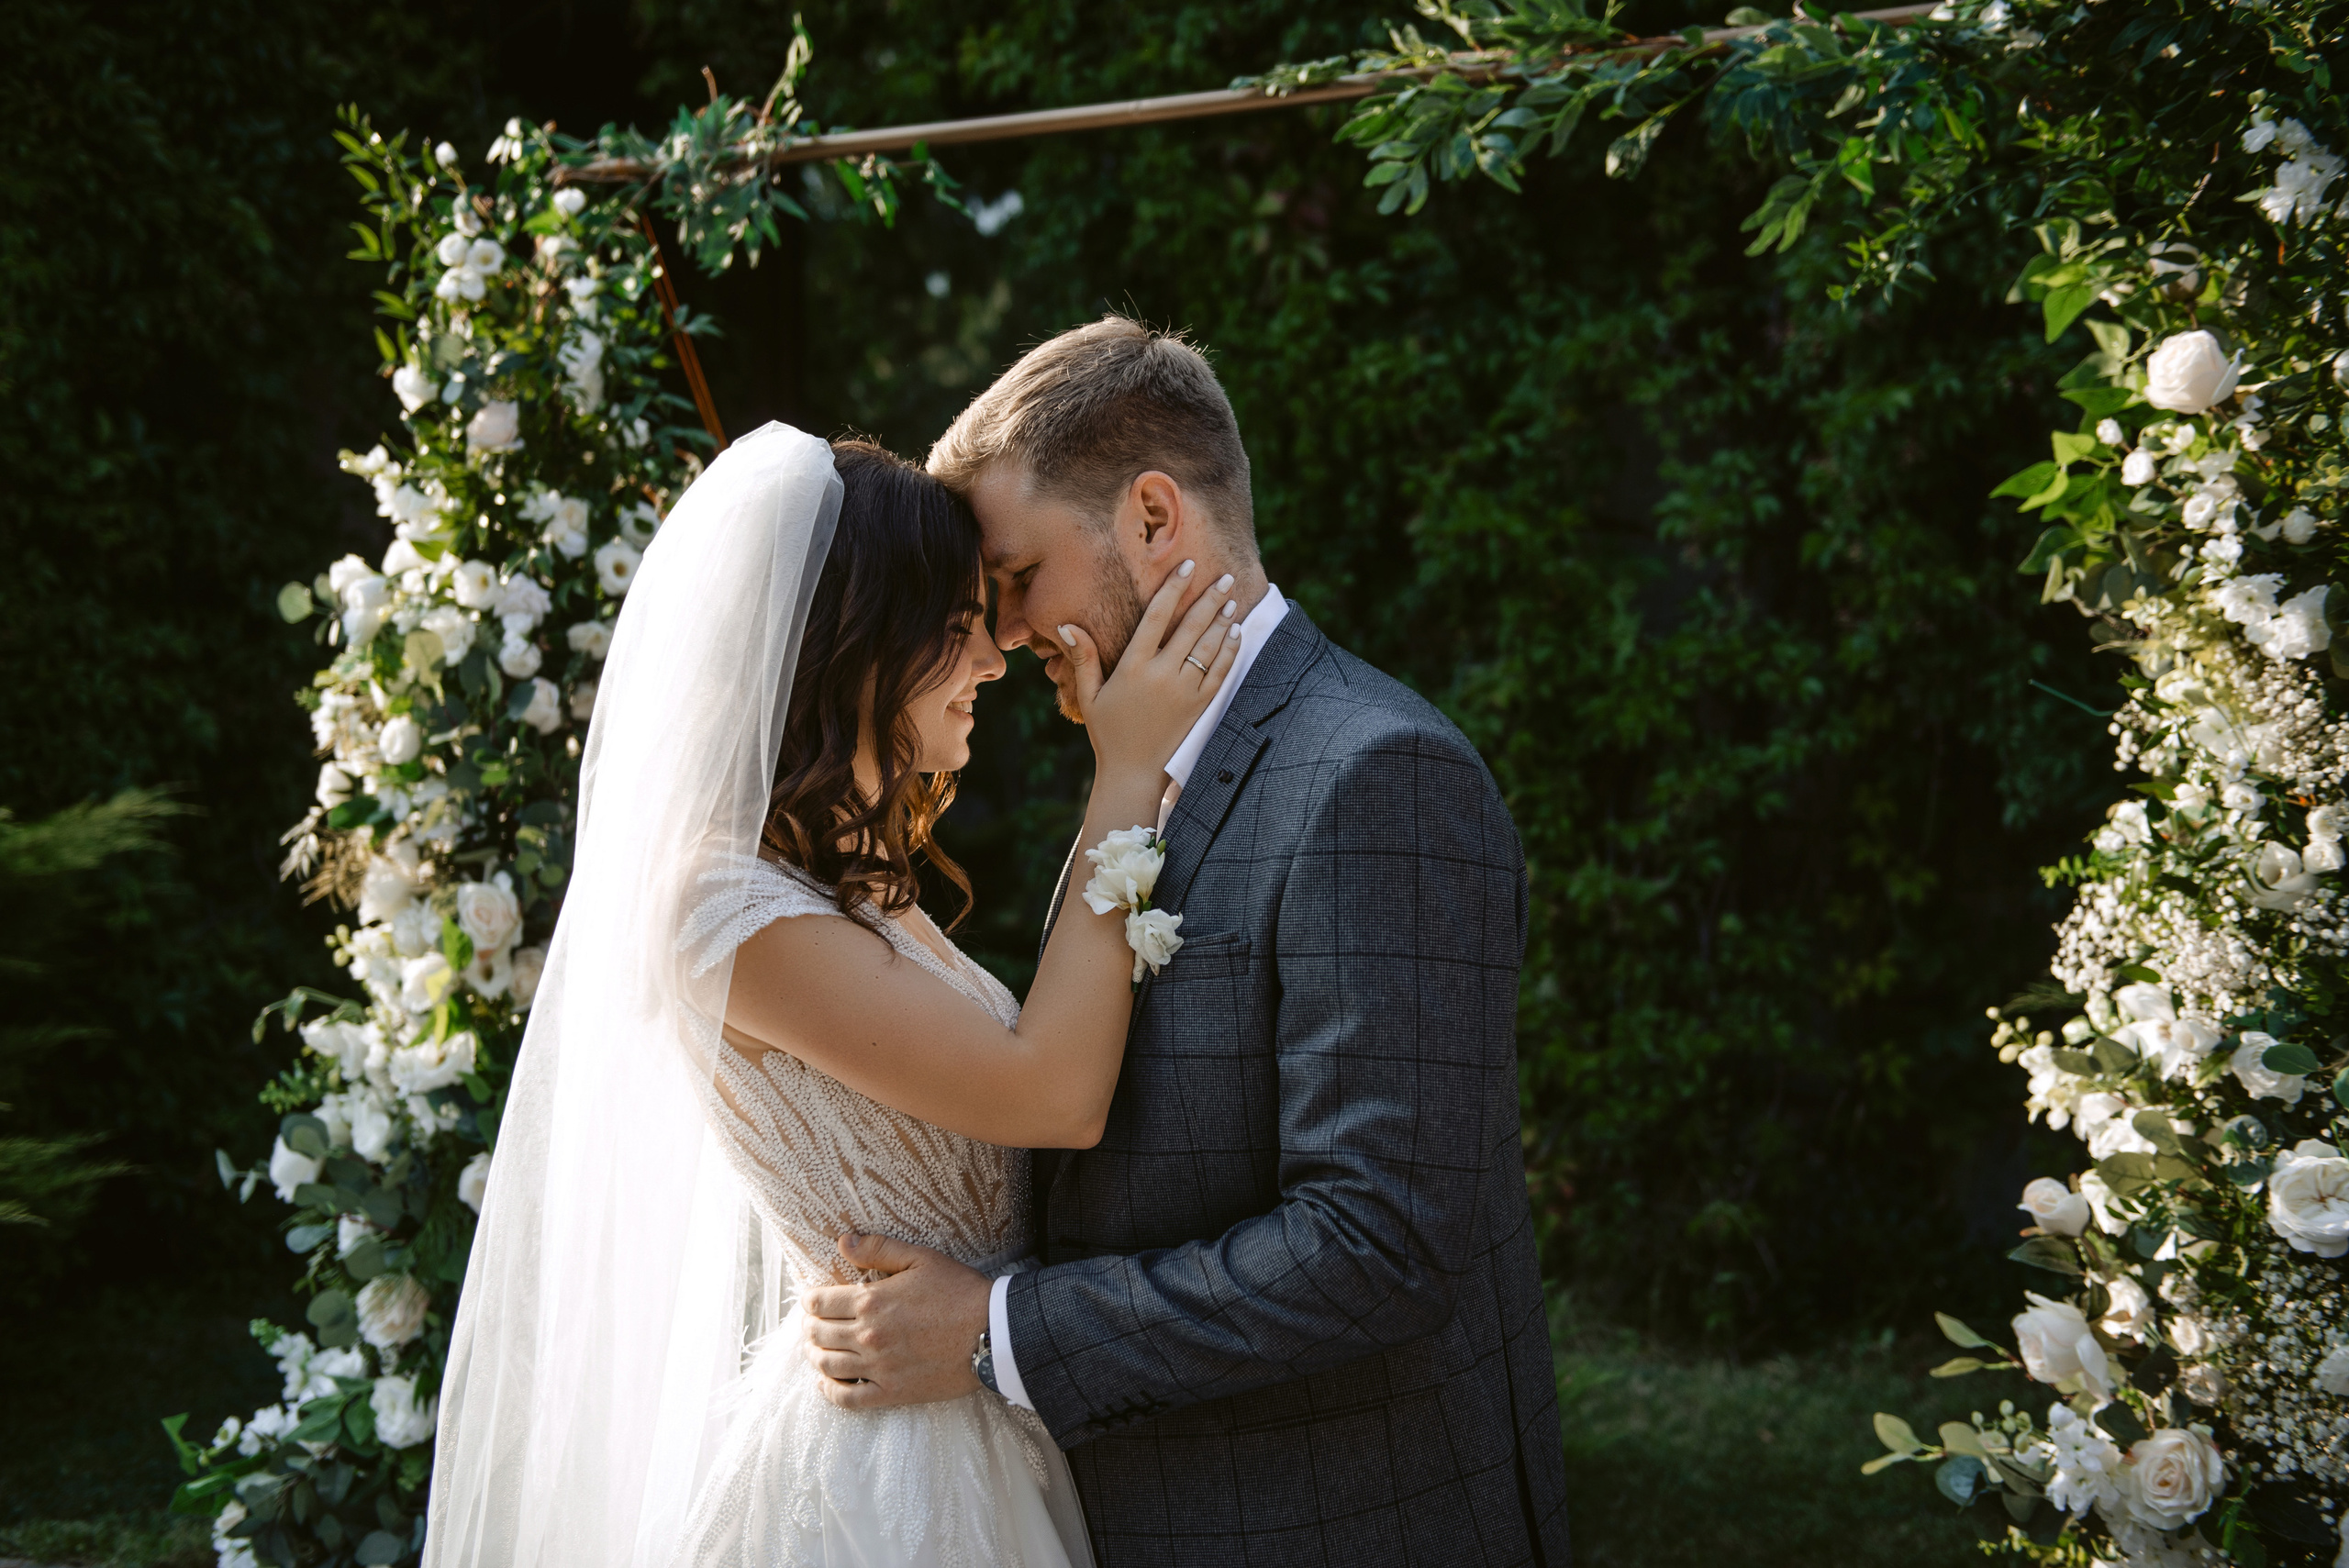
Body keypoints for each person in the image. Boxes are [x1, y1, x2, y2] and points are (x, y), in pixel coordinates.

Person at [797, 317, 1573, 1567]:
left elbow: (1376, 1246)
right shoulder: (1140, 765)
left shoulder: (1374, 773)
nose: (994, 639)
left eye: (1015, 578)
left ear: (1155, 518)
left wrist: (999, 1334)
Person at [425, 428, 1241, 1568]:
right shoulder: (720, 907)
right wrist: (1126, 774)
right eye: (960, 629)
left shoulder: (836, 880)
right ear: (860, 644)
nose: (994, 663)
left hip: (971, 1402)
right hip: (895, 1469)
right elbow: (1050, 1092)